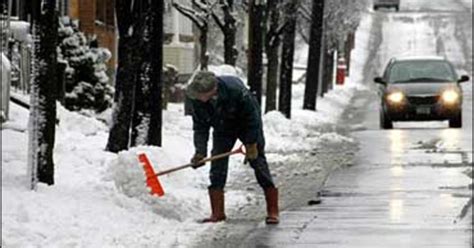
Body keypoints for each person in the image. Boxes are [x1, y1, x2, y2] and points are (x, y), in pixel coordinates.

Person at [186, 71, 279, 225]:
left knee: (258, 162)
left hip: (246, 124)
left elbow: (253, 117)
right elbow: (200, 127)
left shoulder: (235, 90)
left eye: (201, 95)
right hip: (223, 128)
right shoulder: (197, 100)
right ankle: (217, 212)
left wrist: (251, 143)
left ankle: (273, 211)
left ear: (213, 90)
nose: (198, 98)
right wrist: (199, 152)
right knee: (218, 165)